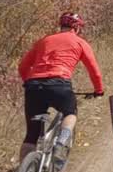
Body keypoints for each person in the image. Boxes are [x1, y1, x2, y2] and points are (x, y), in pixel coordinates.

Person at [17, 12, 104, 164]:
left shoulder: (43, 41)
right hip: (59, 84)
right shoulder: (80, 42)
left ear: (61, 25)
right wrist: (99, 90)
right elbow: (94, 71)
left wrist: (28, 82)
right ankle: (61, 143)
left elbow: (23, 66)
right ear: (76, 28)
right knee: (70, 113)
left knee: (31, 134)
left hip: (33, 86)